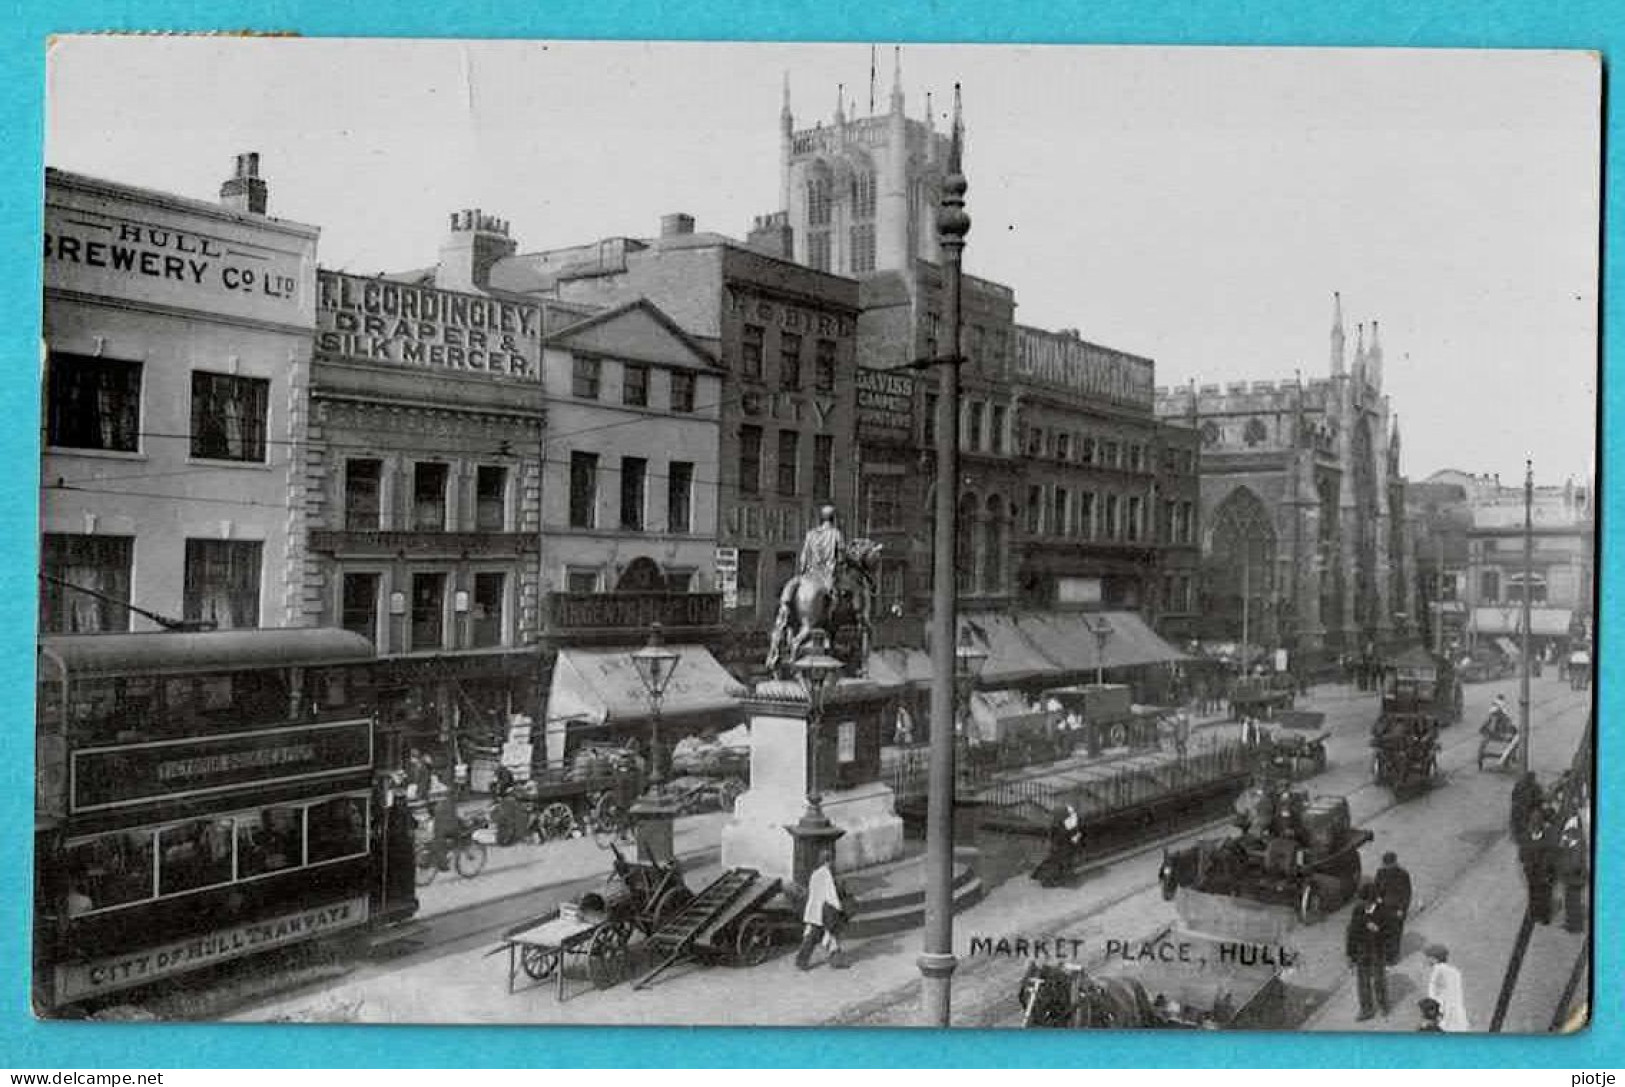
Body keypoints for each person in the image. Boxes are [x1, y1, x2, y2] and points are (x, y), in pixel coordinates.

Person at [796, 846, 850, 970]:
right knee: (830, 935)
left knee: (812, 936)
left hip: (813, 909)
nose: (832, 863)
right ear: (828, 861)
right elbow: (830, 894)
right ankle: (835, 961)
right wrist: (839, 907)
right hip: (823, 912)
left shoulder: (815, 874)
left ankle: (801, 961)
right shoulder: (826, 874)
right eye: (831, 861)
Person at [1345, 882, 1392, 1020]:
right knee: (1363, 981)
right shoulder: (1358, 910)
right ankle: (1366, 1009)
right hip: (1362, 951)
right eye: (1361, 901)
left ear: (1371, 900)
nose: (1361, 904)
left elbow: (1390, 934)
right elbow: (1352, 933)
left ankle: (1383, 1005)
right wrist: (1350, 954)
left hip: (1377, 951)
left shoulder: (1383, 911)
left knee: (1379, 980)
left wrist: (1378, 931)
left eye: (1364, 901)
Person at [1374, 852, 1413, 965]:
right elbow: (1376, 889)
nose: (1387, 867)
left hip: (1397, 909)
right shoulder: (1380, 873)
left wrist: (1402, 909)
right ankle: (1383, 955)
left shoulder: (1403, 874)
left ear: (1395, 863)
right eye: (1385, 865)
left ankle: (1392, 958)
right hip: (1383, 908)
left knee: (1395, 933)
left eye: (1389, 865)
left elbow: (1407, 893)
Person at [798, 504, 847, 589]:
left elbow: (804, 555)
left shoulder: (811, 534)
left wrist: (803, 570)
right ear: (833, 519)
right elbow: (841, 556)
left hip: (811, 572)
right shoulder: (836, 534)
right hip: (828, 573)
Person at [1424, 944, 1470, 1031]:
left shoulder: (1436, 971)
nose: (1427, 960)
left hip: (1444, 1009)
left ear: (1434, 959)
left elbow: (1432, 994)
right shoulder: (1455, 971)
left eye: (1428, 958)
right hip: (1457, 1009)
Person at [1556, 813, 1589, 934]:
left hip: (1574, 880)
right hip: (1571, 879)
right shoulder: (1574, 844)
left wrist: (1562, 868)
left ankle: (1575, 926)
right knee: (1570, 902)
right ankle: (1571, 923)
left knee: (1573, 903)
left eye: (1566, 836)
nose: (1564, 838)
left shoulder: (1576, 848)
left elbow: (1573, 865)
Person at [428, 790, 461, 871]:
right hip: (448, 827)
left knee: (438, 840)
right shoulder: (451, 804)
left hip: (437, 827)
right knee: (458, 837)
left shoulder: (436, 804)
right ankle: (443, 863)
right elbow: (454, 818)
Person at [1509, 771, 1543, 840]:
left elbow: (1513, 796)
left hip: (1524, 807)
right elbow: (1539, 799)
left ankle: (1516, 833)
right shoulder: (1535, 787)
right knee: (1536, 815)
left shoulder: (1519, 785)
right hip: (1526, 808)